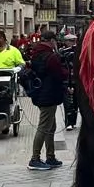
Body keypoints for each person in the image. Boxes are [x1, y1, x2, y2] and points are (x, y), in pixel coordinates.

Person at [24, 30, 67, 171]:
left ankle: (51, 156)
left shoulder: (36, 54)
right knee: (44, 127)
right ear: (52, 40)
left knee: (50, 126)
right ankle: (34, 159)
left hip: (40, 93)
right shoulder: (51, 56)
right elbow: (58, 74)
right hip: (49, 94)